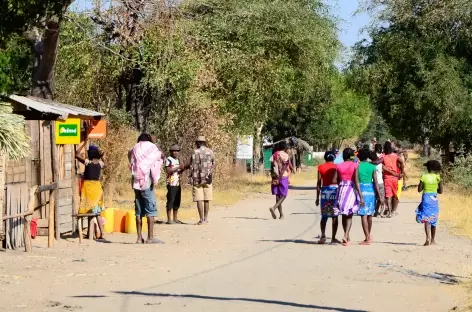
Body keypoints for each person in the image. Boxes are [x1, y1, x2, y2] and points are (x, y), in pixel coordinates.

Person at [130, 133, 163, 244]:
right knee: (151, 210)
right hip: (147, 182)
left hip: (136, 183)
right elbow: (159, 155)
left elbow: (130, 159)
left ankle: (139, 238)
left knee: (138, 211)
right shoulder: (152, 147)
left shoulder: (135, 148)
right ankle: (150, 238)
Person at [76, 140, 106, 240]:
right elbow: (104, 161)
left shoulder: (87, 162)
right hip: (97, 189)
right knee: (96, 212)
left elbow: (76, 154)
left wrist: (83, 144)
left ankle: (92, 233)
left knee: (89, 210)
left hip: (88, 188)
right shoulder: (100, 164)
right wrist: (102, 155)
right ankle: (100, 233)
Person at [332, 148, 363, 246]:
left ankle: (347, 236)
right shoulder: (355, 165)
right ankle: (346, 235)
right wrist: (361, 196)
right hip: (350, 190)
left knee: (343, 214)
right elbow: (356, 181)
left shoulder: (339, 166)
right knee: (349, 214)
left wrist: (341, 182)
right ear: (351, 156)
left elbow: (334, 180)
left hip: (341, 190)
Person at [356, 149, 382, 245]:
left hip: (362, 191)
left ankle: (367, 238)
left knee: (363, 215)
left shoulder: (357, 166)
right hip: (371, 191)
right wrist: (380, 196)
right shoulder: (372, 167)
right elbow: (376, 183)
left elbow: (357, 181)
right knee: (369, 214)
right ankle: (368, 234)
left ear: (359, 157)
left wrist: (360, 195)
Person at [416, 160, 443, 246]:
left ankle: (427, 237)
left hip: (425, 199)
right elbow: (441, 191)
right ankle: (433, 240)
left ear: (427, 168)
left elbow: (419, 190)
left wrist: (424, 186)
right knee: (433, 219)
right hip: (434, 199)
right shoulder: (438, 177)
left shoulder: (424, 177)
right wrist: (435, 189)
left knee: (426, 219)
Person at [189, 136, 215, 225]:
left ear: (199, 143)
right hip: (208, 179)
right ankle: (206, 219)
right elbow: (213, 164)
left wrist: (191, 177)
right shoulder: (210, 152)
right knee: (207, 199)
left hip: (197, 179)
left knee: (199, 199)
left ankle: (201, 219)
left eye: (197, 143)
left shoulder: (194, 152)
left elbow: (191, 165)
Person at [315, 151, 340, 244]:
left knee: (324, 216)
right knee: (335, 215)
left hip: (325, 191)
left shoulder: (320, 167)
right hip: (335, 191)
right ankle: (333, 238)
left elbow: (318, 183)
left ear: (325, 158)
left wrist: (317, 197)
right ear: (334, 158)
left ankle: (323, 236)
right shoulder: (337, 167)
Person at [270, 141, 292, 219]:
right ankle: (274, 207)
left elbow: (271, 167)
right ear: (285, 148)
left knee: (277, 195)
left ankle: (281, 215)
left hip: (275, 177)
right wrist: (279, 178)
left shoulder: (274, 155)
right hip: (283, 177)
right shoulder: (286, 155)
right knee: (284, 195)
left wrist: (273, 178)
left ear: (278, 147)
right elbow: (284, 168)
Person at [382, 141, 404, 217]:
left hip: (387, 178)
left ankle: (390, 211)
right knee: (394, 194)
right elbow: (401, 162)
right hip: (395, 179)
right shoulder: (395, 156)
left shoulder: (383, 156)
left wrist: (390, 172)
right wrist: (402, 173)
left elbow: (381, 165)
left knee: (388, 195)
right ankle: (393, 211)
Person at [165, 144, 185, 224]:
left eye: (177, 151)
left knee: (177, 201)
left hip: (177, 182)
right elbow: (168, 170)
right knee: (170, 200)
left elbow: (179, 171)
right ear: (171, 152)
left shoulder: (178, 160)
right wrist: (178, 167)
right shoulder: (169, 159)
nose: (175, 152)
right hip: (171, 183)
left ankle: (175, 218)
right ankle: (169, 219)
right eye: (174, 151)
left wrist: (183, 168)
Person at [370, 151, 385, 217]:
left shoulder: (370, 164)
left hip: (373, 182)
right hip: (380, 182)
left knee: (375, 198)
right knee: (381, 198)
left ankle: (375, 211)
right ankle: (381, 212)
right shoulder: (379, 164)